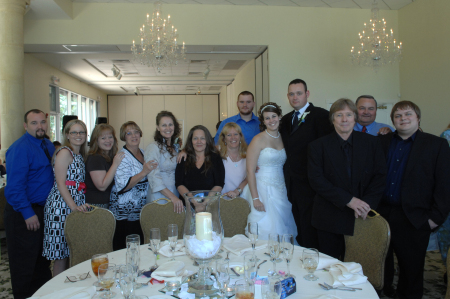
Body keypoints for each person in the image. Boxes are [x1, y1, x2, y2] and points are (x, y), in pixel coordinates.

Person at [378, 101, 450, 299]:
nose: (403, 119)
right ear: (393, 120)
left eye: (408, 114)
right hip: (381, 214)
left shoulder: (437, 145)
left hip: (414, 217)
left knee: (411, 270)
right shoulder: (382, 142)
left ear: (418, 118)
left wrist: (435, 218)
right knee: (380, 265)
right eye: (398, 116)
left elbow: (445, 184)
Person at [307, 99, 387, 260]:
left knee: (361, 265)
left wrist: (366, 205)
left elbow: (380, 176)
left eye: (349, 115)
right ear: (332, 119)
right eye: (339, 115)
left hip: (363, 214)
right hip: (329, 217)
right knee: (330, 266)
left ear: (355, 118)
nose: (344, 119)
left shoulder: (372, 143)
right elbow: (316, 180)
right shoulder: (317, 146)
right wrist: (349, 200)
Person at [4, 109, 54, 298]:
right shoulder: (20, 148)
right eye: (34, 123)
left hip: (41, 211)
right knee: (24, 266)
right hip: (23, 213)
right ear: (25, 126)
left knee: (41, 264)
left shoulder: (47, 145)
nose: (39, 126)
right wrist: (27, 212)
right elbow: (15, 187)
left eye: (42, 122)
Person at [279, 78, 333, 248]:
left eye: (299, 93)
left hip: (312, 184)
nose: (295, 97)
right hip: (290, 183)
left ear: (307, 94)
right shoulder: (285, 120)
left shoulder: (322, 116)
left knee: (312, 229)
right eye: (291, 94)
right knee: (297, 226)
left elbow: (327, 151)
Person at [241, 102, 297, 241]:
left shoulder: (283, 137)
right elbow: (249, 170)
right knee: (268, 227)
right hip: (262, 188)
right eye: (267, 118)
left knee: (283, 225)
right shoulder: (258, 139)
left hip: (280, 187)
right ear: (263, 121)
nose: (271, 120)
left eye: (274, 116)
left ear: (279, 117)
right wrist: (256, 198)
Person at [42, 119, 91, 276]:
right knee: (60, 254)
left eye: (81, 132)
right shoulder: (65, 152)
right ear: (67, 135)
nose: (78, 135)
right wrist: (73, 207)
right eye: (74, 132)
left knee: (70, 251)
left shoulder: (79, 154)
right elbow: (61, 183)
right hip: (61, 206)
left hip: (74, 203)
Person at [110, 121, 157, 250]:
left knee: (139, 246)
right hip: (125, 212)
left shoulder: (143, 152)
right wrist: (144, 172)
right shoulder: (122, 156)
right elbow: (122, 186)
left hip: (139, 210)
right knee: (124, 249)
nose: (133, 136)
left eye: (136, 132)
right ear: (124, 137)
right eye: (129, 133)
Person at [144, 111, 184, 213]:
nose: (168, 128)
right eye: (164, 125)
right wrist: (172, 197)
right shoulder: (153, 147)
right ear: (158, 127)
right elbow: (153, 177)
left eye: (170, 124)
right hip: (159, 196)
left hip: (175, 193)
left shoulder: (175, 148)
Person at [175, 125, 225, 199]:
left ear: (207, 140)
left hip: (210, 204)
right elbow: (179, 184)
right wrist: (193, 201)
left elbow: (219, 185)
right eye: (195, 138)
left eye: (202, 138)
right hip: (188, 205)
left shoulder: (216, 158)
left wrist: (205, 202)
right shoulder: (183, 158)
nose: (199, 142)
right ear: (191, 141)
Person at [85, 124, 124, 208]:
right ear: (96, 141)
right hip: (96, 205)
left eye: (110, 137)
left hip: (107, 203)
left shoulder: (108, 157)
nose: (108, 140)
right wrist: (115, 164)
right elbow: (102, 186)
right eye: (103, 138)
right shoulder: (95, 158)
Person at [218, 122, 248, 198]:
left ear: (240, 136)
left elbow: (249, 178)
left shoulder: (248, 154)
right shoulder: (217, 153)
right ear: (224, 138)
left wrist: (237, 191)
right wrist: (184, 152)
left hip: (243, 198)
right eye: (229, 135)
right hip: (222, 200)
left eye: (236, 134)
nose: (233, 137)